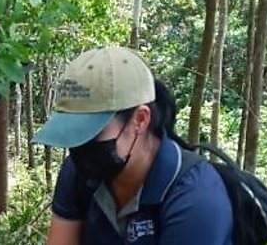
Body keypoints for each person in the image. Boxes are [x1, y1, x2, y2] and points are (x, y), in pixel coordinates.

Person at [33, 46, 233, 245]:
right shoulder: (78, 172)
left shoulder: (196, 197)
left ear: (140, 120)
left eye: (91, 132)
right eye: (72, 133)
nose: (80, 145)